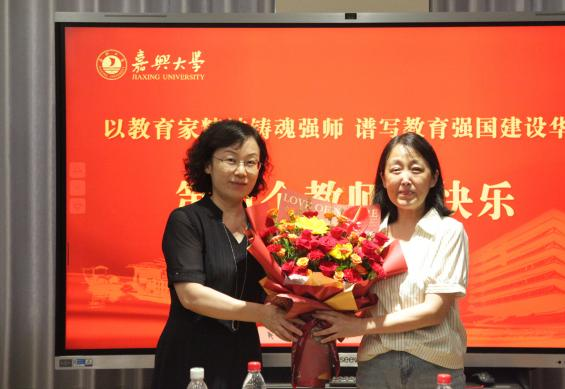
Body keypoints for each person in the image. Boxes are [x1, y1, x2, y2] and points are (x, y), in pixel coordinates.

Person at [152, 120, 302, 389]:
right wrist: (263, 314)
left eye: (251, 162)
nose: (241, 171)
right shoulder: (187, 220)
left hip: (244, 358)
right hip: (191, 356)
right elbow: (191, 296)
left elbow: (270, 290)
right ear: (207, 165)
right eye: (230, 160)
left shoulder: (265, 228)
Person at [314, 132, 469, 389]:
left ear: (433, 178)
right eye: (396, 170)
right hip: (377, 366)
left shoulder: (448, 231)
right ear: (384, 179)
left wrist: (360, 326)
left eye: (416, 169)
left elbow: (435, 311)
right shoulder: (367, 234)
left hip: (434, 366)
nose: (405, 179)